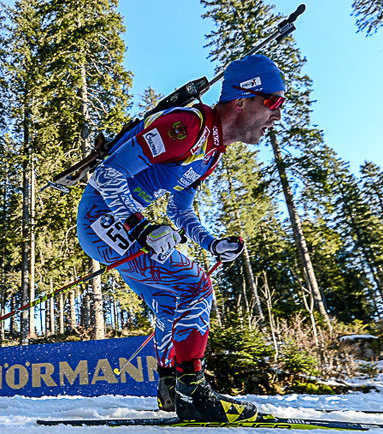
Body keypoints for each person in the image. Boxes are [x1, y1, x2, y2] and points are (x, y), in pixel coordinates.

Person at [76, 54, 285, 422]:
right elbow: (107, 175)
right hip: (103, 218)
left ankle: (171, 387)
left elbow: (180, 211)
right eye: (273, 102)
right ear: (241, 100)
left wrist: (211, 244)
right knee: (196, 287)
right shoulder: (188, 126)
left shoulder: (212, 152)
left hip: (119, 224)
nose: (278, 115)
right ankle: (194, 391)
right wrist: (140, 226)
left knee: (169, 301)